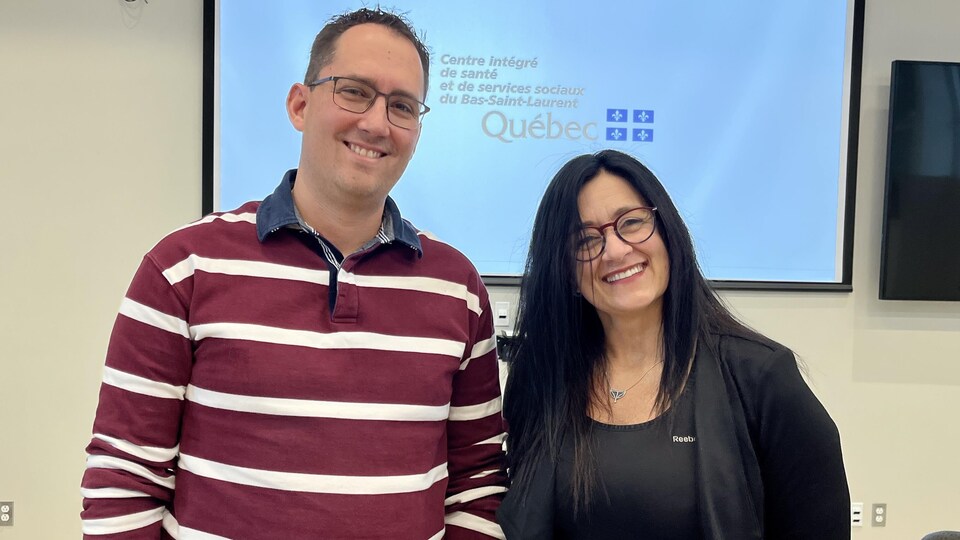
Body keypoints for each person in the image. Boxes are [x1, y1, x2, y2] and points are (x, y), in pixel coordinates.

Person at [80, 8, 507, 539]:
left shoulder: (457, 289)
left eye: (402, 106)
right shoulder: (183, 268)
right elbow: (123, 481)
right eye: (354, 91)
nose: (376, 123)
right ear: (300, 104)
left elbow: (477, 484)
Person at [497, 150, 850, 539]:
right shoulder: (538, 376)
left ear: (668, 233)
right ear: (564, 270)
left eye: (631, 223)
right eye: (585, 240)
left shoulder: (761, 377)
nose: (614, 250)